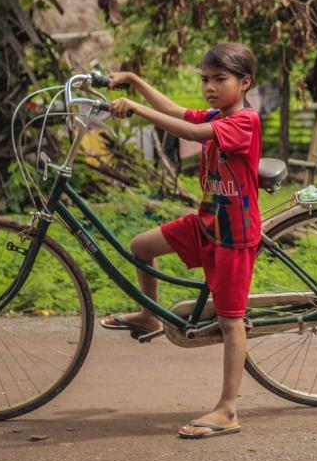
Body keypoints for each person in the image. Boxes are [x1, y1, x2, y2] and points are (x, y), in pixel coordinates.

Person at [98, 42, 262, 440]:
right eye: (205, 79)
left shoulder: (244, 122)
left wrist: (135, 109)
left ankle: (228, 409)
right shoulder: (217, 113)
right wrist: (134, 82)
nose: (209, 87)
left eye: (219, 80)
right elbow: (175, 111)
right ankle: (149, 315)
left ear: (245, 83)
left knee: (230, 321)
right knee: (141, 246)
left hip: (234, 235)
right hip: (206, 223)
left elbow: (190, 131)